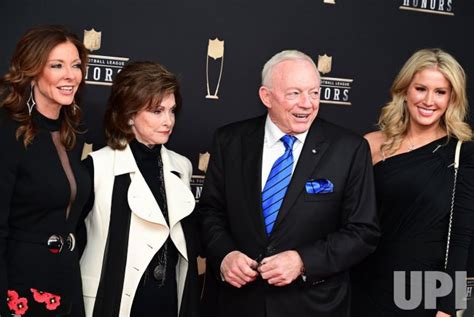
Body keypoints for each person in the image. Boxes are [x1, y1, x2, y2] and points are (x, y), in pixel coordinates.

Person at [198, 49, 380, 317]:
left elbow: (363, 231)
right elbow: (210, 211)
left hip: (314, 306)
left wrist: (303, 261)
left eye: (314, 93)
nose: (307, 104)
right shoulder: (230, 141)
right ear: (266, 96)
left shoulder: (349, 149)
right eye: (294, 93)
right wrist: (225, 255)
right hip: (238, 304)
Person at [351, 48, 474, 317]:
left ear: (452, 98)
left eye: (440, 92)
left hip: (423, 288)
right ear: (405, 90)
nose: (429, 100)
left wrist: (448, 307)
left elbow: (461, 237)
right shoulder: (370, 145)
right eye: (421, 88)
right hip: (364, 279)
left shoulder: (462, 152)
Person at [80, 61, 200, 317]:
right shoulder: (96, 167)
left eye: (172, 110)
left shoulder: (182, 167)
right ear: (128, 114)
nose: (168, 121)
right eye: (157, 111)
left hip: (167, 301)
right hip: (112, 302)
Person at [0, 25, 90, 316]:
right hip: (21, 286)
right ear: (33, 71)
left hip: (66, 280)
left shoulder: (69, 135)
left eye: (75, 65)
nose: (70, 75)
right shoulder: (9, 132)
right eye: (57, 65)